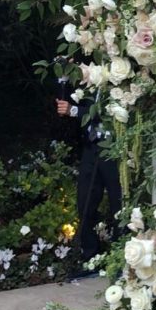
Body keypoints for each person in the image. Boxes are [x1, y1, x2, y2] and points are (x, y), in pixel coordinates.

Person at [56, 92, 122, 275]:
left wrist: (75, 110)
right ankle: (90, 258)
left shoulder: (121, 74)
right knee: (85, 200)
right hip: (91, 146)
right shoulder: (87, 77)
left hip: (114, 147)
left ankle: (121, 259)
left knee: (119, 203)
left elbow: (112, 110)